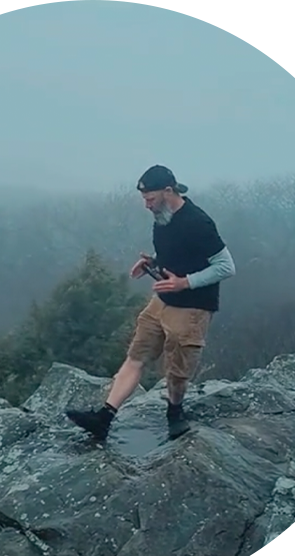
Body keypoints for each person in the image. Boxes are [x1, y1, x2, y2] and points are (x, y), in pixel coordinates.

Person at [66, 165, 236, 441]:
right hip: (161, 301)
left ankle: (175, 413)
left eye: (150, 198)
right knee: (136, 357)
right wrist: (152, 263)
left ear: (168, 191)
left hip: (192, 307)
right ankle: (104, 417)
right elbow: (176, 252)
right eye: (144, 199)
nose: (146, 205)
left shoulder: (198, 222)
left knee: (177, 370)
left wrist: (185, 282)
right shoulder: (162, 217)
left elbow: (226, 266)